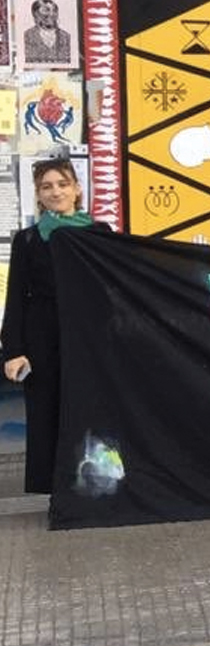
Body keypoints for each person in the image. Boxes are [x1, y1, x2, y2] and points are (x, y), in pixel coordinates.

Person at [2, 158, 110, 494]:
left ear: (77, 189)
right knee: (47, 411)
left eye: (62, 184)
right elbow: (17, 297)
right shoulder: (28, 240)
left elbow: (112, 290)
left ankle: (94, 485)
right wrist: (14, 350)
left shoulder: (98, 234)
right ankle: (53, 490)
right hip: (42, 338)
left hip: (87, 337)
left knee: (90, 408)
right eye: (47, 186)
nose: (56, 192)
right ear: (38, 195)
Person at [21, 0, 72, 65]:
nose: (51, 14)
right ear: (35, 14)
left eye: (54, 10)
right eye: (46, 10)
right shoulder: (28, 35)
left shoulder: (65, 36)